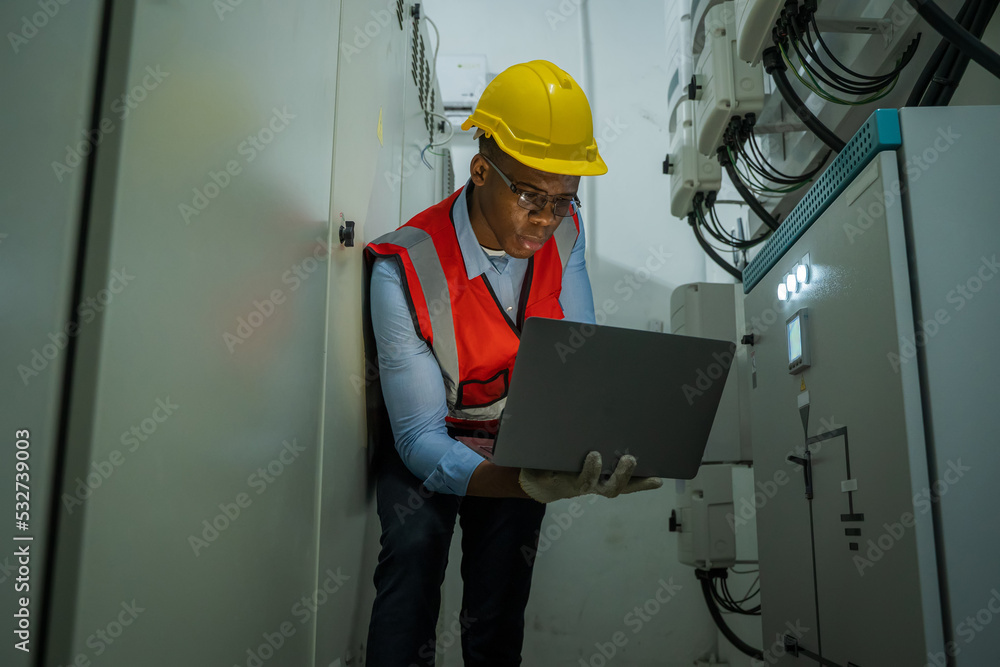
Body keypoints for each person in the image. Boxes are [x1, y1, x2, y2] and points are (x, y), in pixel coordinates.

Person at [362, 59, 662, 667]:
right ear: (480, 171)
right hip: (430, 430)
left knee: (499, 606)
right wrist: (521, 482)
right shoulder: (405, 266)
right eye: (530, 195)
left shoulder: (564, 232)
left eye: (563, 200)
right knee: (413, 559)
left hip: (514, 435)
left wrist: (592, 449)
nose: (546, 219)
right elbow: (419, 438)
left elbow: (577, 359)